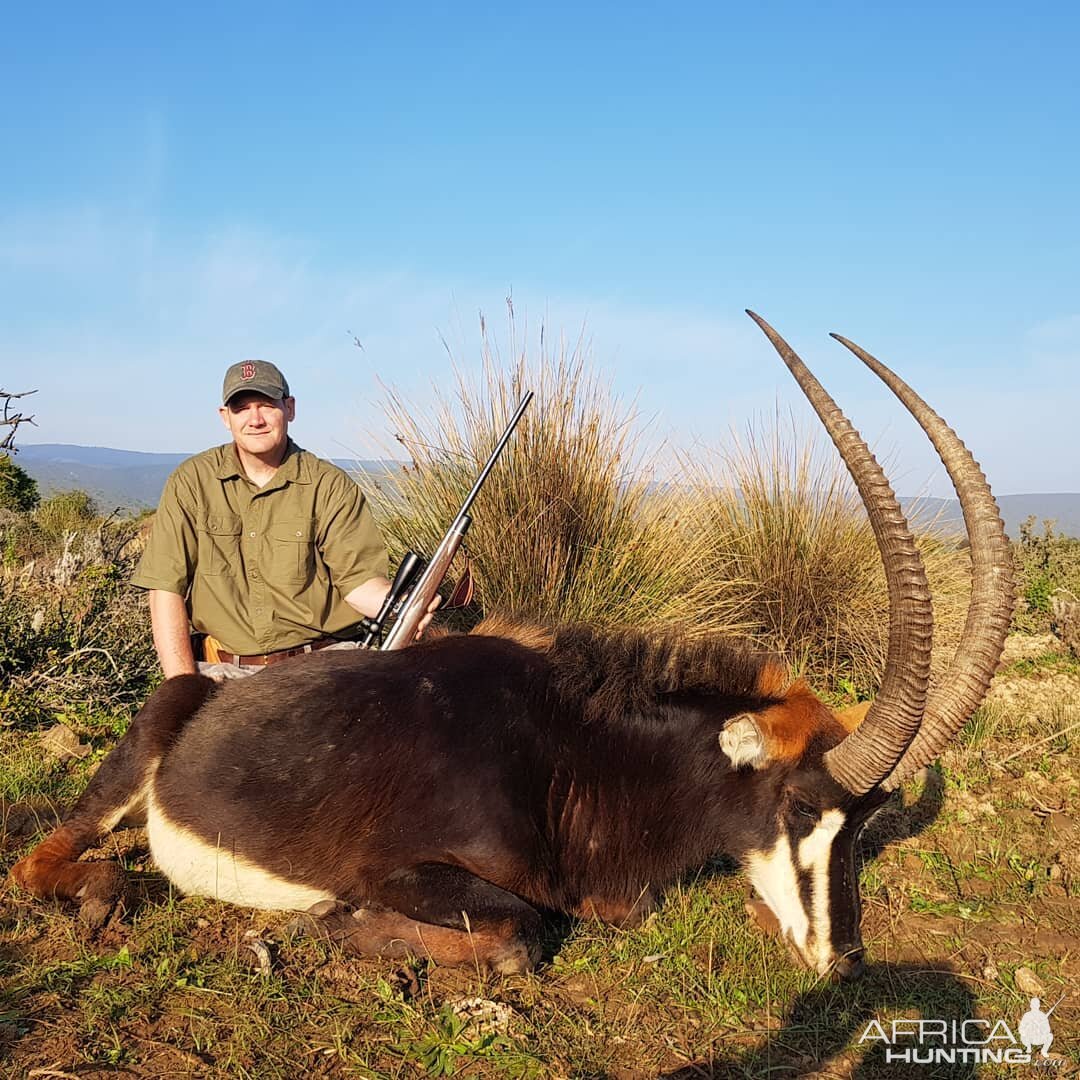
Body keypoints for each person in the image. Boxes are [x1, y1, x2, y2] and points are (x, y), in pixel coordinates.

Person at [133, 359, 416, 679]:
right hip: (222, 672)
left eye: (267, 404)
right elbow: (165, 589)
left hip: (323, 667)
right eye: (242, 408)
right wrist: (181, 685)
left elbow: (359, 584)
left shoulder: (329, 485)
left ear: (290, 408)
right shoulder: (191, 482)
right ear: (225, 417)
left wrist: (404, 604)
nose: (255, 419)